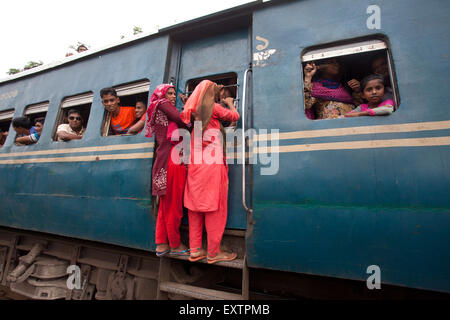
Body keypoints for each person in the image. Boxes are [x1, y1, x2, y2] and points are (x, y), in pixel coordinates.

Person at [180, 80, 240, 264]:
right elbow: (234, 116)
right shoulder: (214, 108)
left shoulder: (194, 112)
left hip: (196, 167)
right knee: (215, 209)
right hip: (212, 167)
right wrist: (230, 102)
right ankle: (214, 252)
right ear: (211, 94)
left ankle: (196, 250)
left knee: (195, 209)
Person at [146, 84, 189, 256]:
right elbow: (185, 120)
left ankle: (161, 244)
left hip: (165, 160)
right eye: (169, 93)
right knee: (174, 206)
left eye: (173, 93)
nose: (172, 96)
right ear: (161, 95)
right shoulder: (162, 104)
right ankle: (175, 243)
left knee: (165, 205)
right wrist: (189, 106)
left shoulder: (160, 109)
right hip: (173, 161)